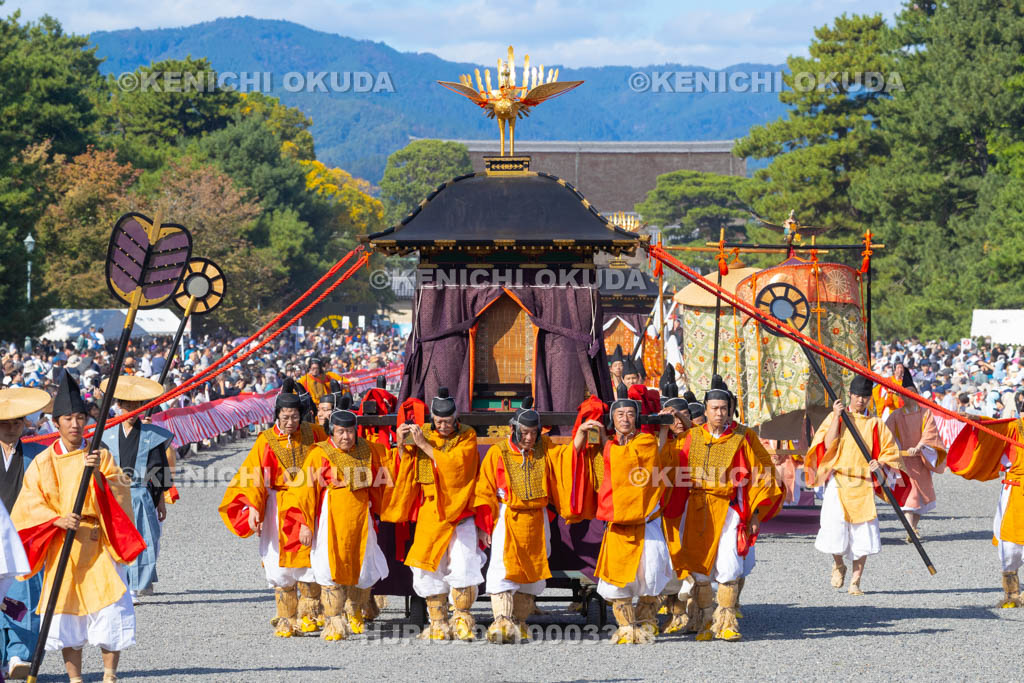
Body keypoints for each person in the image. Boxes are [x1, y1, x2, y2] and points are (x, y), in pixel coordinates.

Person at [12, 371, 144, 683]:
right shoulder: (43, 462)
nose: (75, 424)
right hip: (64, 545)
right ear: (55, 423)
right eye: (68, 419)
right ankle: (75, 678)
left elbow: (122, 492)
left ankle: (110, 675)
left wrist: (99, 475)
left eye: (79, 418)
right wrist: (55, 519)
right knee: (67, 616)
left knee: (112, 611)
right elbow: (29, 504)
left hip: (99, 542)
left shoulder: (101, 455)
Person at [665, 375, 782, 641]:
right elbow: (667, 463)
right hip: (694, 509)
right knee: (699, 570)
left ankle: (727, 622)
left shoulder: (744, 436)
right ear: (705, 410)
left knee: (729, 566)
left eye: (723, 408)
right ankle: (706, 621)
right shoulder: (691, 437)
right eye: (714, 408)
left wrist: (754, 513)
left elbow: (764, 473)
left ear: (730, 409)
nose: (719, 413)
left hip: (729, 510)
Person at [218, 388, 327, 637]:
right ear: (277, 415)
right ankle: (286, 618)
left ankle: (310, 613)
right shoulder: (266, 440)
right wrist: (254, 507)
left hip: (307, 503)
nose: (290, 423)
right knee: (278, 559)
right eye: (285, 417)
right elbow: (253, 475)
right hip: (276, 506)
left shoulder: (315, 433)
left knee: (310, 556)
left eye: (294, 417)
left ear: (302, 415)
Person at [473, 399, 576, 644]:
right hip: (508, 517)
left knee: (532, 573)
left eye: (533, 432)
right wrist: (483, 525)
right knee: (501, 569)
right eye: (525, 433)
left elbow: (568, 458)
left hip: (537, 520)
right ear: (513, 429)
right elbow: (484, 490)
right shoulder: (498, 452)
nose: (529, 438)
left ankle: (520, 621)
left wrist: (581, 434)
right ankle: (500, 622)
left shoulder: (545, 447)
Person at [384, 387, 483, 641]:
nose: (443, 426)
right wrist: (404, 445)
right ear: (431, 417)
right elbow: (406, 465)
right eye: (438, 421)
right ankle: (437, 622)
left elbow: (458, 468)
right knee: (427, 566)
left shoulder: (467, 435)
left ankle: (461, 618)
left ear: (456, 417)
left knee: (463, 562)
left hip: (460, 510)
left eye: (448, 421)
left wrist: (425, 445)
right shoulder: (423, 433)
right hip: (431, 511)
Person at [285, 407, 390, 641]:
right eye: (341, 432)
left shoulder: (367, 449)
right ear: (331, 432)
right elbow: (303, 491)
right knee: (328, 566)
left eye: (350, 432)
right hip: (330, 518)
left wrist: (402, 445)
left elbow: (389, 466)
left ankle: (355, 611)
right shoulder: (319, 453)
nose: (346, 437)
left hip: (362, 518)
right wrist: (304, 524)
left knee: (362, 565)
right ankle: (333, 621)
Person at [590, 385, 675, 645]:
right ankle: (626, 627)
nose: (625, 418)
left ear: (636, 419)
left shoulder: (645, 442)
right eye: (619, 415)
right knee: (619, 582)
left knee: (650, 577)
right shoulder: (609, 448)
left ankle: (647, 621)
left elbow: (623, 460)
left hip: (646, 523)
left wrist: (608, 445)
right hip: (618, 526)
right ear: (612, 421)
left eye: (629, 414)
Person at [807, 375, 906, 595]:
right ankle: (838, 563)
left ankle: (856, 581)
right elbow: (825, 443)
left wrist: (879, 462)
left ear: (870, 398)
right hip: (840, 479)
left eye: (865, 397)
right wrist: (835, 416)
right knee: (834, 527)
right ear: (849, 395)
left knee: (864, 533)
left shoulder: (875, 423)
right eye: (857, 396)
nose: (860, 400)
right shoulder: (840, 417)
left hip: (863, 482)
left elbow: (891, 451)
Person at [99, 376, 174, 603]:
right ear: (119, 405)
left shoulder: (152, 436)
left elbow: (158, 470)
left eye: (135, 406)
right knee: (114, 539)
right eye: (126, 405)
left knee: (143, 539)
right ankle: (118, 584)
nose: (131, 410)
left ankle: (134, 586)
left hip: (141, 494)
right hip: (113, 495)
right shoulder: (105, 435)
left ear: (141, 407)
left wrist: (160, 501)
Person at [0, 387, 49, 679]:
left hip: (26, 536)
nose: (12, 428)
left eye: (17, 422)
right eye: (5, 423)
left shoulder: (39, 455)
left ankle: (19, 654)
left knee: (25, 598)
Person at [885, 370, 947, 541]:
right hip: (904, 460)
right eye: (905, 393)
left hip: (921, 459)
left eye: (911, 393)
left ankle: (913, 528)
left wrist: (920, 446)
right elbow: (886, 434)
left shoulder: (925, 413)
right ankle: (911, 530)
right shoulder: (896, 415)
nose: (908, 396)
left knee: (921, 496)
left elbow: (930, 433)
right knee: (910, 495)